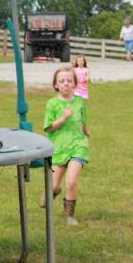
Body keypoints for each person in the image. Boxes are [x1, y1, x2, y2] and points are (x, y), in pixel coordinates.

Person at [41, 66, 91, 226]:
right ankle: (52, 192)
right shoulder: (52, 104)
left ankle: (70, 216)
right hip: (58, 148)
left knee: (71, 182)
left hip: (78, 145)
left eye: (69, 81)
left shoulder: (80, 102)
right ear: (56, 85)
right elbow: (49, 127)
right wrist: (63, 118)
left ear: (75, 84)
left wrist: (86, 132)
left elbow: (83, 120)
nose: (66, 84)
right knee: (54, 185)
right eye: (62, 81)